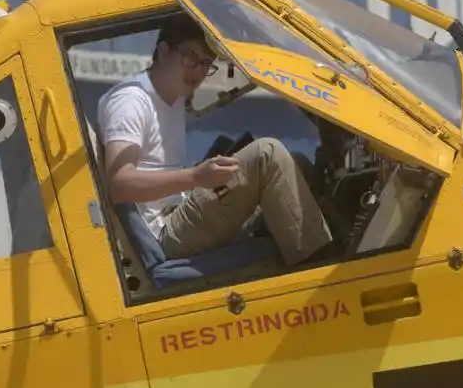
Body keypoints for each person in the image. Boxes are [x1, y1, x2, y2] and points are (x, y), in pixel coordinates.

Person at [97, 13, 335, 267]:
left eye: (205, 63)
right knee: (268, 155)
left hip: (180, 208)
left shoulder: (174, 94)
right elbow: (120, 185)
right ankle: (323, 269)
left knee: (294, 163)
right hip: (165, 231)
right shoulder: (131, 101)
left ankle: (332, 242)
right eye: (190, 58)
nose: (199, 72)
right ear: (163, 51)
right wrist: (196, 177)